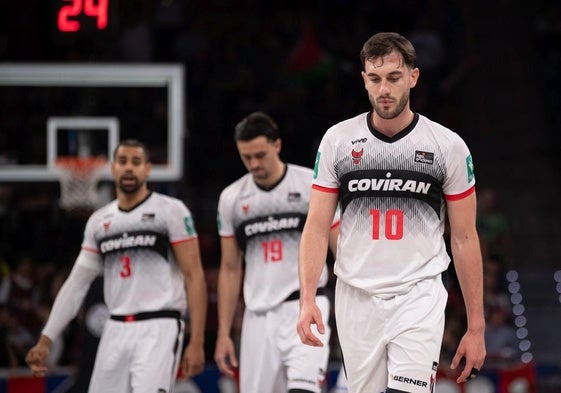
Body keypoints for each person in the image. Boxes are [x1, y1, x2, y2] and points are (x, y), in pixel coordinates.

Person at [297, 32, 486, 393]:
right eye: (375, 78)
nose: (384, 88)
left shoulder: (447, 146)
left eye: (394, 78)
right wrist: (307, 299)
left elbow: (463, 237)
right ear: (364, 80)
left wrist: (476, 326)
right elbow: (317, 227)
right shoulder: (337, 141)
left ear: (413, 77)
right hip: (355, 296)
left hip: (418, 294)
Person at [25, 139, 207, 392]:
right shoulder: (99, 221)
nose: (129, 168)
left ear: (147, 169)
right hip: (114, 328)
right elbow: (77, 283)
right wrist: (47, 338)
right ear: (112, 169)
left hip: (159, 326)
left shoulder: (171, 211)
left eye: (136, 162)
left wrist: (197, 340)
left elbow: (194, 275)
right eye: (123, 162)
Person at [214, 112, 339, 393]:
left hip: (307, 305)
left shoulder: (312, 185)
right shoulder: (231, 199)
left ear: (277, 145)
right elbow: (230, 268)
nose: (254, 164)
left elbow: (340, 249)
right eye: (247, 157)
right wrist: (223, 332)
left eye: (260, 154)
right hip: (257, 316)